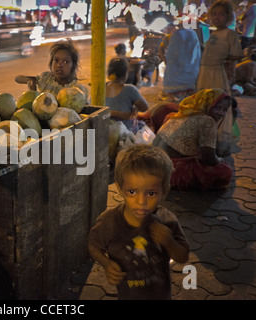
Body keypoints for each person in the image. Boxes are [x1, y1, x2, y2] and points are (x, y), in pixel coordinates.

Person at [88, 144, 190, 300]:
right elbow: (94, 246)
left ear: (165, 191)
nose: (141, 201)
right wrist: (107, 264)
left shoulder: (166, 220)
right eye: (132, 192)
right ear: (120, 188)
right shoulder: (109, 221)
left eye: (151, 193)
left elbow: (183, 256)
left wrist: (168, 242)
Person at [152, 88, 233, 191]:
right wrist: (220, 159)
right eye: (217, 108)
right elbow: (209, 159)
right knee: (226, 171)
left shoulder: (182, 114)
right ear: (207, 104)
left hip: (151, 164)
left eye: (224, 110)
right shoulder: (207, 121)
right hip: (168, 172)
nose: (221, 113)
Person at [196, 0, 243, 156]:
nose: (217, 17)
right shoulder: (213, 33)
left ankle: (219, 143)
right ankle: (205, 141)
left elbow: (234, 57)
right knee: (205, 106)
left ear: (228, 16)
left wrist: (229, 75)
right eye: (214, 14)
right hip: (204, 73)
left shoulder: (230, 34)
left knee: (219, 107)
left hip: (217, 74)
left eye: (221, 14)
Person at [15, 39, 88, 99]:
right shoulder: (46, 80)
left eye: (66, 62)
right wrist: (31, 83)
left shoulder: (77, 90)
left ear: (73, 66)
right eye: (56, 60)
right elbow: (18, 79)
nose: (59, 65)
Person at [105, 58, 148, 133]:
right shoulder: (130, 89)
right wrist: (133, 108)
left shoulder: (100, 88)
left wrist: (111, 112)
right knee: (143, 125)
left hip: (103, 129)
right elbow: (144, 108)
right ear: (125, 74)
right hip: (124, 131)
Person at [161, 24, 201, 101]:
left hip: (175, 79)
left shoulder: (176, 35)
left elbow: (168, 52)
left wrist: (166, 61)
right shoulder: (192, 34)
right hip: (190, 78)